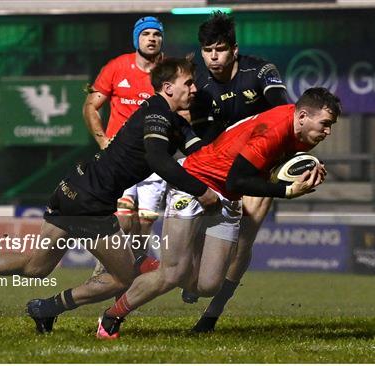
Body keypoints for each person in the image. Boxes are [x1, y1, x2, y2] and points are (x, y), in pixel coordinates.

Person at [0, 57, 219, 334]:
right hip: (91, 202)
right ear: (168, 88)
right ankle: (48, 307)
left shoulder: (174, 121)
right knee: (123, 277)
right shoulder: (157, 112)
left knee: (36, 266)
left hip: (73, 187)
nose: (194, 89)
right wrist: (201, 192)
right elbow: (157, 159)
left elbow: (205, 154)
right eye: (189, 83)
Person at [96, 87, 342, 339]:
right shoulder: (274, 129)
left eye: (331, 125)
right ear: (302, 116)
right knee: (172, 275)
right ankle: (112, 317)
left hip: (227, 197)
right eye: (324, 124)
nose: (328, 131)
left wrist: (303, 170)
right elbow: (238, 181)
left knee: (208, 284)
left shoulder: (300, 131)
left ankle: (146, 265)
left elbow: (256, 173)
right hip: (195, 184)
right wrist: (288, 190)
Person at [183, 11, 292, 332]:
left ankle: (211, 316)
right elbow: (192, 127)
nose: (213, 57)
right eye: (207, 50)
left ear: (234, 49)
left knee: (244, 239)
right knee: (199, 227)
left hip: (259, 165)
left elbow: (282, 109)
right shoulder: (198, 82)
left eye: (219, 49)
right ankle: (193, 277)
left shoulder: (260, 70)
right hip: (217, 164)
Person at [83, 16, 166, 262]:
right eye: (146, 34)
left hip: (154, 159)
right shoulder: (116, 67)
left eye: (157, 34)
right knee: (123, 219)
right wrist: (103, 142)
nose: (152, 38)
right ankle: (107, 271)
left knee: (145, 225)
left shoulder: (171, 71)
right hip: (120, 158)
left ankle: (132, 275)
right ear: (136, 38)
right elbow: (90, 106)